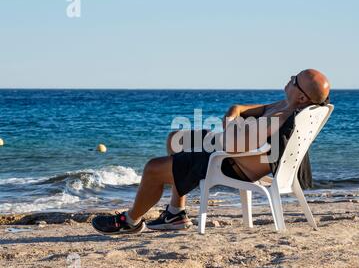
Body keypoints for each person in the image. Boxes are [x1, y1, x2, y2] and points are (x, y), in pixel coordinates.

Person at [92, 69, 331, 235]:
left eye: (294, 79)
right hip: (236, 154)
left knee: (153, 168)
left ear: (301, 95)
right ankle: (175, 213)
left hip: (229, 163)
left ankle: (130, 222)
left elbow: (232, 146)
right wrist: (234, 115)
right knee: (177, 139)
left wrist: (230, 128)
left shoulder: (281, 118)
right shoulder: (288, 106)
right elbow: (242, 109)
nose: (289, 79)